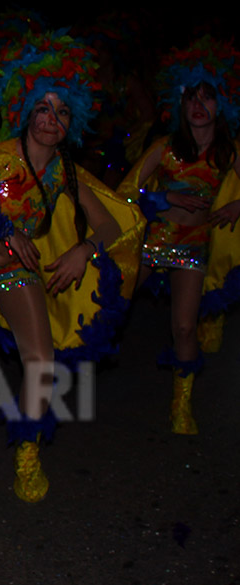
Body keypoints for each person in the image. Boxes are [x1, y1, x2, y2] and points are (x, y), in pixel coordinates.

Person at [0, 31, 144, 502]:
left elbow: (107, 225)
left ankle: (27, 455)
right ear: (25, 109)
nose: (51, 120)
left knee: (40, 361)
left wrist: (84, 249)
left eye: (62, 111)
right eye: (43, 108)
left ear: (73, 120)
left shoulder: (64, 172)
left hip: (12, 274)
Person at [117, 36, 240, 435]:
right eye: (191, 98)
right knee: (111, 304)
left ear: (220, 106)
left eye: (207, 98)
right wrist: (161, 195)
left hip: (193, 247)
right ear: (181, 105)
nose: (199, 106)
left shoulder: (230, 152)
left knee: (184, 327)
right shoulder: (165, 146)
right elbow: (124, 192)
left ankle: (181, 404)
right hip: (153, 244)